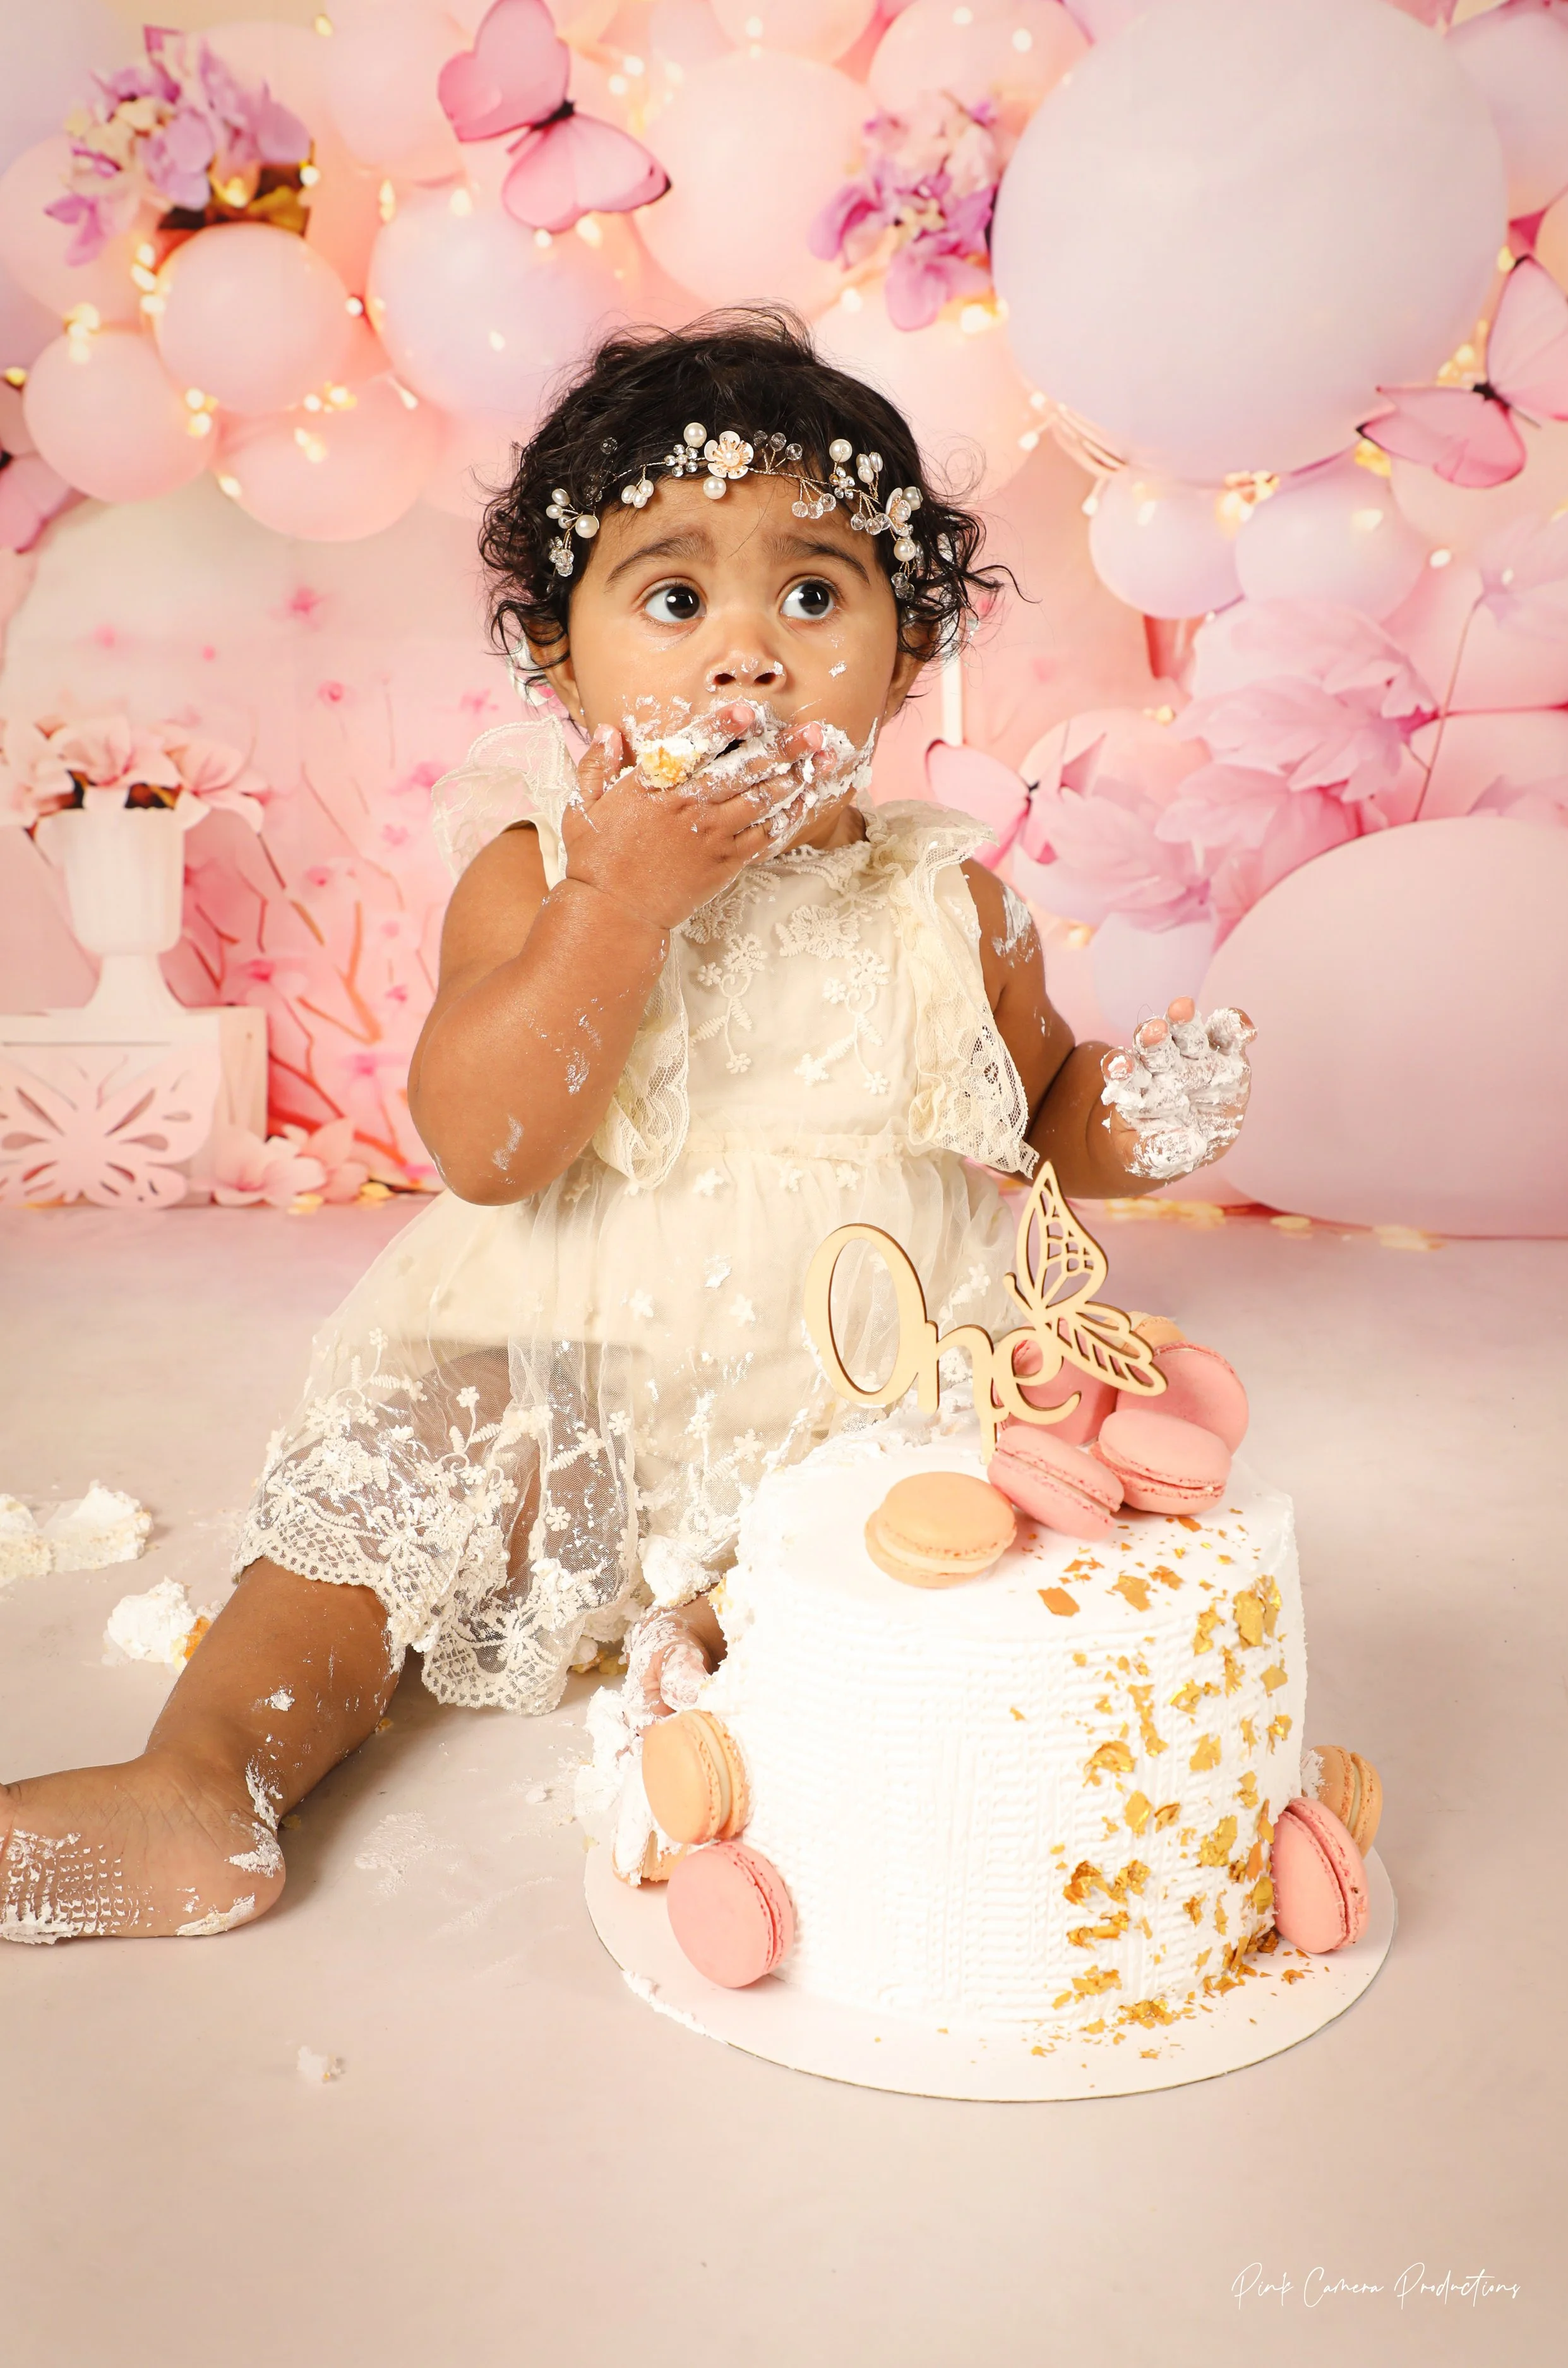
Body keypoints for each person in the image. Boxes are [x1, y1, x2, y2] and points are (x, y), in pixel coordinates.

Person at [0, 311, 1252, 1944]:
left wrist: (1137, 1118)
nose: (748, 654)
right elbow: (487, 1148)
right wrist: (617, 903)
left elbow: (1041, 1120)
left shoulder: (947, 904)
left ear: (905, 654)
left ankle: (747, 1708)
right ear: (557, 658)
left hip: (856, 1391)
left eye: (815, 596)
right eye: (673, 600)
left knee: (954, 1549)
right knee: (386, 1496)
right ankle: (205, 1777)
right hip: (562, 1372)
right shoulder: (533, 868)